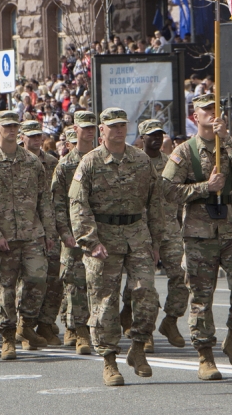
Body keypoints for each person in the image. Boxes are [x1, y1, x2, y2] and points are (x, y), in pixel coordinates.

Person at [161, 95, 232, 380]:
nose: (212, 114)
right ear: (195, 116)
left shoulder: (228, 146)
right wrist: (204, 187)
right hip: (199, 231)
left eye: (216, 109)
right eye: (206, 110)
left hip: (230, 227)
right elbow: (168, 189)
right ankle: (205, 355)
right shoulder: (185, 151)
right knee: (202, 296)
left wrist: (226, 139)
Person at [68, 107, 163, 387]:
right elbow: (78, 204)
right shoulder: (90, 162)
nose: (119, 130)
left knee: (146, 292)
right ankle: (109, 361)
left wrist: (156, 241)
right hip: (103, 239)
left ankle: (137, 347)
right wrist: (90, 241)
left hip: (137, 235)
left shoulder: (141, 160)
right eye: (113, 125)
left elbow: (155, 202)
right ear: (102, 130)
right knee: (105, 302)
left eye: (122, 125)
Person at [0, 110, 53, 358]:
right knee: (4, 290)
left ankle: (25, 325)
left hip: (31, 234)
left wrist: (48, 232)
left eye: (14, 126)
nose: (11, 130)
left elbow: (44, 200)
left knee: (38, 279)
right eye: (6, 126)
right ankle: (7, 337)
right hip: (3, 237)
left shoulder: (32, 162)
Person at [131, 119, 190, 354]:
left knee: (182, 277)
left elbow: (178, 195)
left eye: (159, 134)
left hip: (170, 230)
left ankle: (171, 321)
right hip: (143, 232)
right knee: (145, 285)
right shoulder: (135, 163)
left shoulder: (170, 164)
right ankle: (145, 332)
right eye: (151, 135)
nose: (156, 138)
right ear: (141, 138)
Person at [51, 113, 97, 355]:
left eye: (93, 128)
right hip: (73, 233)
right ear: (75, 130)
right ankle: (79, 331)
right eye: (85, 128)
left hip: (98, 232)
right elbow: (57, 203)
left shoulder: (101, 159)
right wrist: (64, 232)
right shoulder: (66, 165)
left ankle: (96, 328)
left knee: (97, 283)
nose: (90, 132)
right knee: (75, 283)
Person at [20, 119, 67, 347]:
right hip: (27, 228)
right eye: (31, 135)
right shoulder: (18, 162)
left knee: (54, 278)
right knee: (30, 279)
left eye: (38, 135)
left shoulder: (52, 162)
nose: (36, 139)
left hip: (51, 226)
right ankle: (26, 326)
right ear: (23, 138)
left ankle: (46, 324)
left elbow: (58, 195)